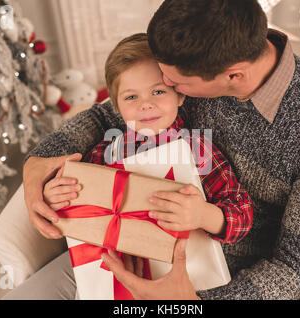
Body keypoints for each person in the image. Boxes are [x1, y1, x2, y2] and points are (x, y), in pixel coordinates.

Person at [20, 0, 300, 300]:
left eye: (172, 83)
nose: (165, 88)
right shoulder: (196, 58)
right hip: (119, 245)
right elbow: (107, 114)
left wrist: (190, 302)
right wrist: (42, 159)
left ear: (233, 76)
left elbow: (296, 268)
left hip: (212, 279)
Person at [44, 33, 253, 245]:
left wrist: (203, 215)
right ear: (116, 106)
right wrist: (56, 197)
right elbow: (78, 205)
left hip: (181, 267)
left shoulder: (196, 149)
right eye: (131, 97)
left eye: (158, 91)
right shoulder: (106, 151)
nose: (145, 104)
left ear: (180, 95)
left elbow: (242, 215)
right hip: (108, 263)